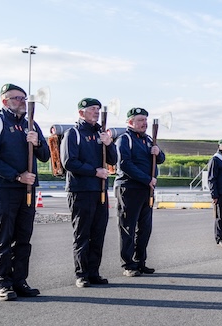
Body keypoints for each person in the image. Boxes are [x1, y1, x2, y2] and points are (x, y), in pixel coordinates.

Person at [0, 83, 50, 300]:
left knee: (23, 238)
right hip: (5, 189)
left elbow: (46, 155)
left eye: (23, 98)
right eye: (16, 98)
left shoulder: (32, 124)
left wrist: (37, 142)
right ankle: (4, 283)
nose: (22, 102)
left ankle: (20, 280)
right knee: (5, 237)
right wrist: (17, 175)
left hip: (28, 190)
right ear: (5, 101)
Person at [61, 98, 117, 288]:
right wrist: (94, 171)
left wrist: (109, 144)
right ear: (81, 113)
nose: (96, 112)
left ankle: (94, 271)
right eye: (92, 109)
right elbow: (69, 162)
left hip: (100, 191)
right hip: (81, 190)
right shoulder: (73, 133)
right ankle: (82, 273)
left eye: (98, 109)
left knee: (98, 232)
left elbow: (113, 159)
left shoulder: (101, 133)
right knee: (82, 234)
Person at [115, 107, 166, 276]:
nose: (144, 123)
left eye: (145, 120)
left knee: (145, 228)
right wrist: (146, 179)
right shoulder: (125, 139)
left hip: (146, 189)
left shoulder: (148, 139)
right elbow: (124, 164)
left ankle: (140, 261)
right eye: (140, 120)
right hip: (129, 188)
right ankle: (128, 264)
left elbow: (160, 159)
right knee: (128, 227)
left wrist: (158, 153)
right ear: (130, 122)